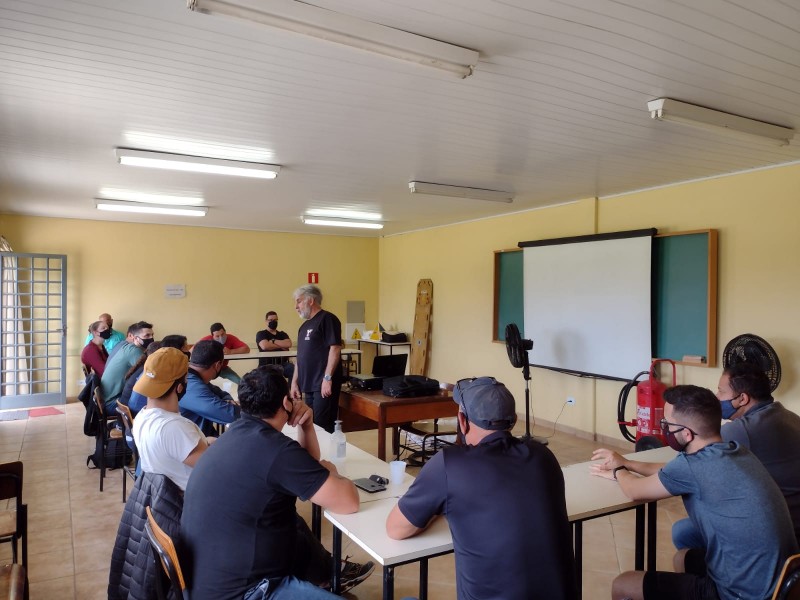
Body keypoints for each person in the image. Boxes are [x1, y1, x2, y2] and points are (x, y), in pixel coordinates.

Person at [181, 366, 373, 600]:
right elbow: (348, 501)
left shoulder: (234, 435)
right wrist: (333, 472)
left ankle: (324, 577)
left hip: (207, 582)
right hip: (248, 592)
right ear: (286, 402)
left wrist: (307, 425)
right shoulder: (276, 450)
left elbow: (307, 475)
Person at [591, 384, 797, 600]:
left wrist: (618, 471)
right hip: (781, 583)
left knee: (623, 584)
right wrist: (628, 464)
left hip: (743, 594)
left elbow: (634, 491)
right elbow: (670, 470)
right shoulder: (735, 451)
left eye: (666, 424)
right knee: (682, 558)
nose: (664, 429)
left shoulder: (694, 466)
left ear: (686, 434)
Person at [386, 376, 577, 600]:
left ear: (462, 421)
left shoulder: (449, 465)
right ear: (513, 421)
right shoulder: (543, 456)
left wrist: (437, 509)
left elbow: (396, 529)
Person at [672, 362, 800, 550]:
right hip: (792, 520)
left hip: (777, 531)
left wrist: (628, 466)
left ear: (742, 399)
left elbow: (686, 468)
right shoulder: (790, 417)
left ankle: (718, 577)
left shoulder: (742, 430)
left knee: (683, 532)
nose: (716, 398)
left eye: (720, 391)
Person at [131, 347, 214, 492]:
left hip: (162, 501)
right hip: (190, 504)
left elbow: (174, 450)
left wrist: (206, 443)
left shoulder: (142, 416)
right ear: (180, 387)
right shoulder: (173, 427)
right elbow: (214, 466)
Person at [290, 285, 343, 433]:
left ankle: (326, 456)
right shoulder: (303, 327)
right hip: (308, 385)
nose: (296, 307)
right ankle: (313, 456)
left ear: (311, 300)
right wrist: (295, 382)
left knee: (322, 427)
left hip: (323, 384)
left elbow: (335, 348)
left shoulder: (328, 319)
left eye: (299, 301)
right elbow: (300, 357)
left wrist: (327, 378)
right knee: (311, 425)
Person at [180, 339, 241, 436]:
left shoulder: (192, 376)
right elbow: (230, 415)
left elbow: (218, 391)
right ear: (217, 365)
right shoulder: (190, 385)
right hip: (195, 443)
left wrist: (227, 399)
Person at [119, 335, 189, 416]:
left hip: (137, 414)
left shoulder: (149, 367)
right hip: (137, 413)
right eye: (185, 348)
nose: (188, 351)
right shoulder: (163, 373)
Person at [100, 321, 154, 411]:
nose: (151, 338)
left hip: (106, 398)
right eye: (147, 336)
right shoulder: (133, 351)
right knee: (158, 402)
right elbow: (151, 373)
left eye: (152, 335)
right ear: (135, 338)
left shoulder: (123, 346)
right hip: (113, 403)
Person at [256, 310, 294, 379]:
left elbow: (289, 344)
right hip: (266, 365)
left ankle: (290, 389)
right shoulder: (261, 334)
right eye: (271, 320)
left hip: (282, 364)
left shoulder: (282, 334)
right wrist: (282, 346)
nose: (273, 322)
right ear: (266, 321)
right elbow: (265, 346)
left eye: (275, 320)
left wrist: (273, 341)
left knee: (293, 369)